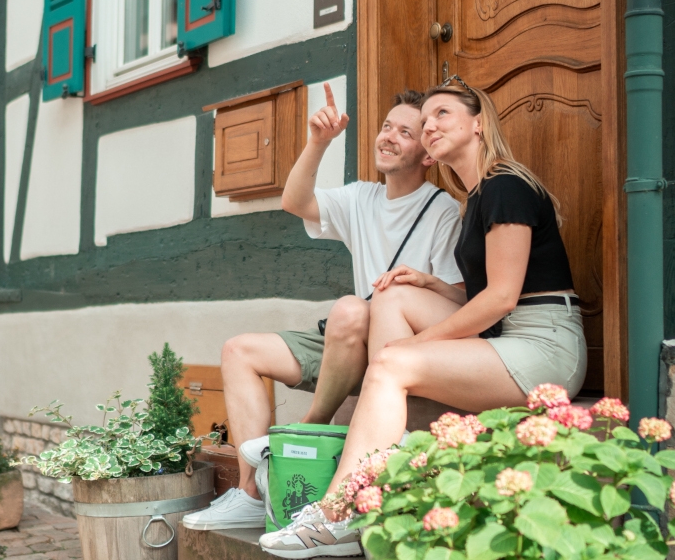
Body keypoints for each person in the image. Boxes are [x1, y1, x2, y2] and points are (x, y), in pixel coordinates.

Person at [257, 76, 585, 558]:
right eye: (425, 118)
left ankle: (339, 513)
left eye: (443, 114)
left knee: (390, 364)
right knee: (391, 292)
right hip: (508, 338)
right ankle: (392, 451)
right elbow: (484, 293)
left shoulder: (505, 185)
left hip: (545, 347)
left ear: (478, 123)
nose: (430, 125)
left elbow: (500, 300)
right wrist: (430, 284)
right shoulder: (475, 197)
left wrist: (412, 346)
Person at [182, 83, 464, 532]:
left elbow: (458, 299)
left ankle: (307, 429)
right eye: (386, 126)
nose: (387, 136)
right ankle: (252, 494)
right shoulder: (362, 197)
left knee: (353, 308)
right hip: (343, 336)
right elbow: (295, 202)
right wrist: (318, 142)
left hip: (391, 341)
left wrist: (421, 283)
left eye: (404, 133)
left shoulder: (442, 211)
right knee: (239, 350)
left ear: (428, 154)